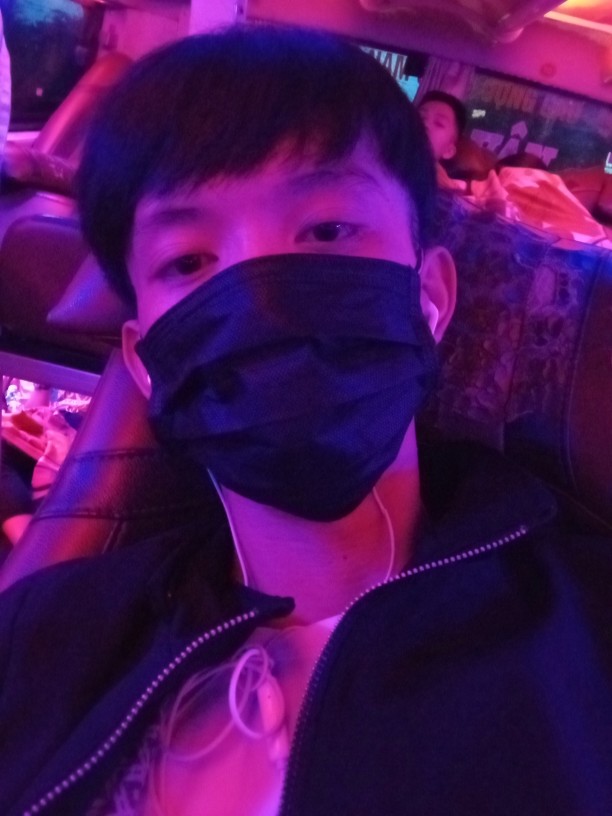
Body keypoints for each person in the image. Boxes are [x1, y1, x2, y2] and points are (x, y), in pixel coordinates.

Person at [1, 24, 612, 816]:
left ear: (430, 297)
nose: (261, 298)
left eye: (327, 230)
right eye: (189, 261)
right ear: (146, 361)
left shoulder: (588, 637)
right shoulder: (45, 637)